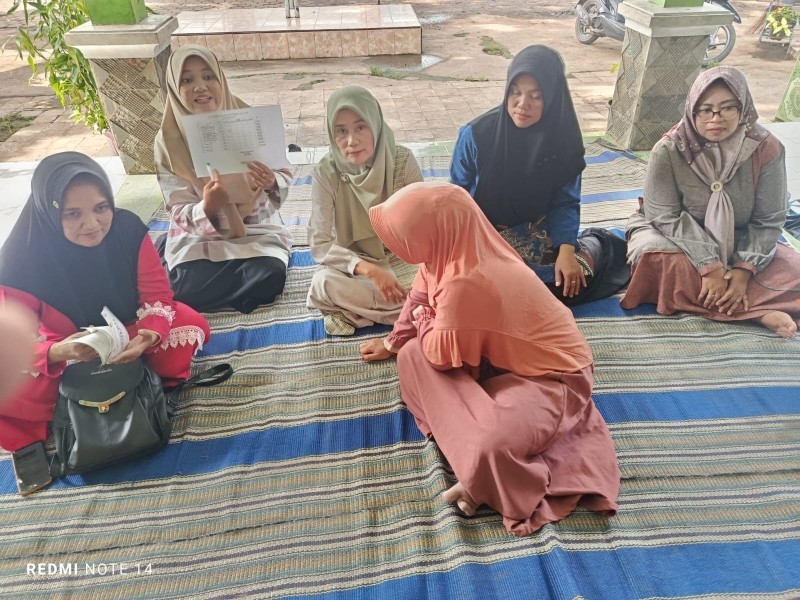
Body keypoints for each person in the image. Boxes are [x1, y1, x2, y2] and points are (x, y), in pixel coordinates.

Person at [359, 182, 620, 537]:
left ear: (429, 233)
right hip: (496, 361)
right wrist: (393, 342)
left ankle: (482, 473)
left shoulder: (466, 281)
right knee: (408, 356)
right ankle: (480, 463)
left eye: (402, 233)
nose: (394, 243)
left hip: (554, 378)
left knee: (492, 445)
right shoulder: (448, 251)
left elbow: (438, 353)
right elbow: (418, 300)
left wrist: (424, 320)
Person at [0, 152, 210, 452]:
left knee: (187, 324)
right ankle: (119, 387)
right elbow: (14, 342)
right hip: (63, 352)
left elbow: (157, 295)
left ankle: (111, 386)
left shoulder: (126, 229)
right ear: (50, 211)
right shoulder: (20, 260)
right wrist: (60, 351)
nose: (92, 224)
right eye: (73, 214)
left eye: (101, 208)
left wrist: (147, 337)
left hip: (128, 333)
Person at [622, 66, 800, 338]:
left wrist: (743, 271)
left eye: (727, 108)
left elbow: (769, 219)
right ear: (692, 111)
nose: (715, 118)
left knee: (796, 271)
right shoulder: (669, 149)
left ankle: (735, 300)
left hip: (740, 237)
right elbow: (664, 215)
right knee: (654, 260)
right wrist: (710, 267)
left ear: (743, 108)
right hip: (675, 237)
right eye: (705, 110)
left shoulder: (765, 148)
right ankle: (758, 311)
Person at [450, 45, 629, 305]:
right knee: (470, 290)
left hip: (538, 231)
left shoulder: (563, 143)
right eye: (516, 92)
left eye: (536, 96)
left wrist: (566, 251)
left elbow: (565, 202)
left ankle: (597, 243)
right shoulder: (477, 135)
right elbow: (456, 195)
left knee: (567, 284)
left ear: (553, 98)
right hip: (482, 232)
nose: (523, 104)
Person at [155, 45, 292, 314]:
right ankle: (237, 292)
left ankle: (227, 289)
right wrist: (208, 206)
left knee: (271, 275)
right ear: (174, 88)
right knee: (182, 286)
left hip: (255, 226)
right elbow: (178, 207)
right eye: (187, 80)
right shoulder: (168, 141)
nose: (200, 87)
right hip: (197, 236)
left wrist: (271, 182)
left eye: (208, 76)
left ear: (221, 80)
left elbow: (283, 173)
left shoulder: (250, 122)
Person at [307, 86, 423, 336]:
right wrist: (369, 270)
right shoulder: (326, 173)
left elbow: (425, 226)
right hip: (356, 264)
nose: (351, 141)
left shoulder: (402, 161)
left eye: (360, 127)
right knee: (322, 284)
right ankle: (414, 315)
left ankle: (354, 314)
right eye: (341, 131)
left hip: (404, 258)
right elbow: (320, 244)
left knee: (445, 285)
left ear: (375, 124)